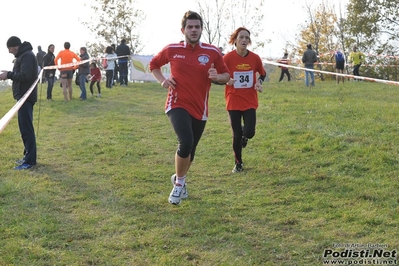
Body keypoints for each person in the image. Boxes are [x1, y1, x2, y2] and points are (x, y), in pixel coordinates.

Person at [149, 10, 230, 205]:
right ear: (183, 29)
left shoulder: (212, 52)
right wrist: (163, 80)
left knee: (191, 149)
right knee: (185, 142)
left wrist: (216, 77)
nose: (193, 30)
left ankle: (180, 178)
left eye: (197, 27)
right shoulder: (172, 49)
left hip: (200, 108)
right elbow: (154, 65)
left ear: (202, 29)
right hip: (176, 103)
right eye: (190, 27)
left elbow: (226, 75)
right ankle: (178, 186)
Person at [223, 27, 266, 173]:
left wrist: (259, 82)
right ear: (235, 40)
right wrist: (226, 80)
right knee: (236, 134)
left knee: (249, 132)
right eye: (241, 37)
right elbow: (219, 75)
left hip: (249, 100)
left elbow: (262, 73)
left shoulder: (255, 58)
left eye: (246, 38)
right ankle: (238, 163)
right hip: (233, 100)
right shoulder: (227, 58)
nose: (244, 40)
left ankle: (244, 135)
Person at [0, 36, 38, 170]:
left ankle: (30, 161)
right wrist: (8, 74)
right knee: (24, 128)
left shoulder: (27, 55)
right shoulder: (23, 55)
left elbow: (25, 75)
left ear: (15, 46)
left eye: (9, 49)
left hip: (26, 97)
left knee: (26, 129)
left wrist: (8, 75)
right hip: (23, 97)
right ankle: (27, 156)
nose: (9, 51)